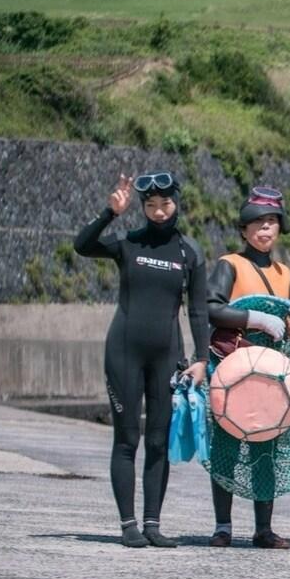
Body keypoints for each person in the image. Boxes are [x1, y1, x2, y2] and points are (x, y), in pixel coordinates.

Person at [75, 171, 209, 548]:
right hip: (124, 353)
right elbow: (82, 246)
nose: (159, 212)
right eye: (150, 205)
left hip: (167, 355)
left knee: (159, 440)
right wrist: (109, 212)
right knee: (126, 438)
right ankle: (129, 525)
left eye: (165, 204)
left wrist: (201, 358)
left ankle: (153, 524)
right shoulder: (128, 243)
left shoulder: (189, 252)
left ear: (177, 203)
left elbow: (198, 311)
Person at [195, 187, 290, 549]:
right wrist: (255, 318)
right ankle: (222, 527)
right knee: (227, 445)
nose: (265, 229)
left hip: (273, 372)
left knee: (268, 445)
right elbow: (212, 308)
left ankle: (264, 529)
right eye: (257, 223)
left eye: (272, 223)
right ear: (244, 230)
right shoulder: (229, 264)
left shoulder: (283, 272)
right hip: (233, 367)